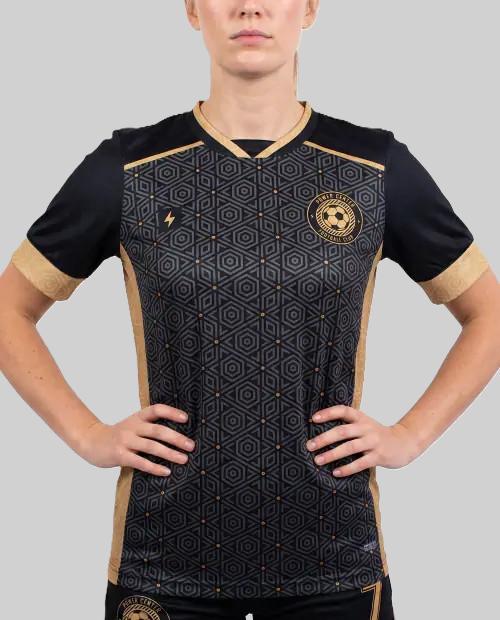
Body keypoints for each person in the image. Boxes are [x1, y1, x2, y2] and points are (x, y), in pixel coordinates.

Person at [1, 1, 499, 619]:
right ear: (193, 10)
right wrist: (87, 435)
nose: (250, 6)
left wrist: (410, 436)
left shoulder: (374, 169)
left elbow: (487, 313)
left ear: (308, 9)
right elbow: (11, 308)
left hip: (334, 559)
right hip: (164, 561)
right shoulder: (129, 169)